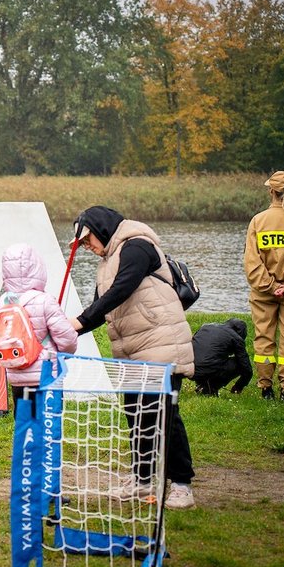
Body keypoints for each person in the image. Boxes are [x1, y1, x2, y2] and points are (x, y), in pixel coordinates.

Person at [69, 206, 196, 509]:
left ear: (101, 230)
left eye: (87, 240)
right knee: (136, 415)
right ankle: (141, 481)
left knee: (164, 415)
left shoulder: (137, 245)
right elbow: (101, 307)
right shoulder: (106, 263)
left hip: (161, 344)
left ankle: (182, 485)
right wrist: (71, 330)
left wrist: (78, 322)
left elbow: (122, 290)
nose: (87, 247)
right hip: (133, 351)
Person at [243, 171, 284, 403]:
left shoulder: (258, 221)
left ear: (271, 191)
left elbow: (252, 262)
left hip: (263, 293)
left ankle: (266, 389)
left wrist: (269, 286)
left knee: (264, 338)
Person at [0, 243, 78, 414]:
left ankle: (26, 441)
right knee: (48, 422)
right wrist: (64, 354)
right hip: (46, 374)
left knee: (24, 422)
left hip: (17, 374)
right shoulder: (45, 300)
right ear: (37, 269)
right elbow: (67, 338)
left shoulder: (3, 302)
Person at [191, 319, 253, 396]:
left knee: (208, 359)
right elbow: (247, 369)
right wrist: (239, 386)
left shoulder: (205, 327)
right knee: (239, 363)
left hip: (191, 369)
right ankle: (211, 388)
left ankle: (202, 385)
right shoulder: (236, 337)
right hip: (206, 369)